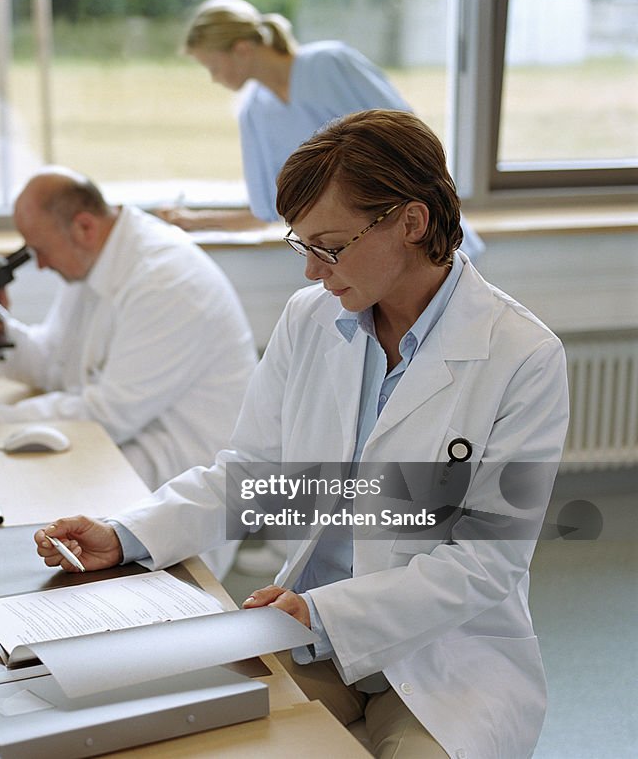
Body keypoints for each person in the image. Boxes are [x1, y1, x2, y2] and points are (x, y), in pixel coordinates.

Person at [34, 111, 569, 758]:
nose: (313, 272)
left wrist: (325, 615)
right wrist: (124, 533)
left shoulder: (522, 355)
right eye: (303, 245)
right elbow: (252, 475)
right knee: (174, 737)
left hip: (444, 658)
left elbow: (486, 562)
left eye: (331, 246)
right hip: (304, 630)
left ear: (411, 221)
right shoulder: (311, 320)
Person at [0, 166, 258, 577]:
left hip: (176, 487)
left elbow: (109, 414)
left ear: (82, 226)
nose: (40, 266)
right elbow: (54, 363)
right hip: (120, 459)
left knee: (13, 517)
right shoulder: (95, 264)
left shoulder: (166, 280)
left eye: (40, 250)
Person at [159, 0, 485, 262]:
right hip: (358, 258)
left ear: (242, 49)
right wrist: (194, 220)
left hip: (419, 234)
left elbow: (410, 142)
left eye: (213, 66)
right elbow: (270, 208)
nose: (214, 78)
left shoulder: (329, 65)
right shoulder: (253, 112)